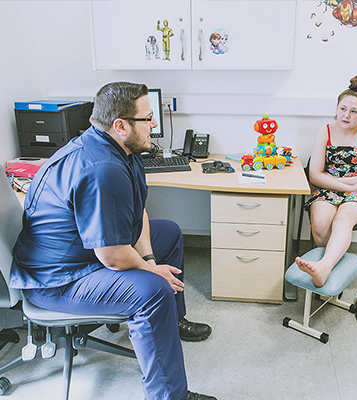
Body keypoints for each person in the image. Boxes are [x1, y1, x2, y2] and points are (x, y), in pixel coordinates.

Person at [10, 82, 217, 400]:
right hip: (56, 280)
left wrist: (149, 260)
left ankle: (171, 323)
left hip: (87, 254)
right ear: (120, 125)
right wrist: (152, 273)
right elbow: (113, 256)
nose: (154, 125)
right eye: (148, 119)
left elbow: (138, 212)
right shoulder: (101, 168)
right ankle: (168, 395)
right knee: (153, 292)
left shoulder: (123, 148)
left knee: (169, 233)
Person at [296, 76, 357, 287]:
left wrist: (335, 179)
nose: (346, 115)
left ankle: (324, 268)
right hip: (331, 189)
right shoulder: (325, 131)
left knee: (343, 219)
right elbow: (314, 176)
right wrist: (348, 184)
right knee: (320, 225)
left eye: (354, 111)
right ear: (336, 108)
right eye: (343, 108)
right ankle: (331, 268)